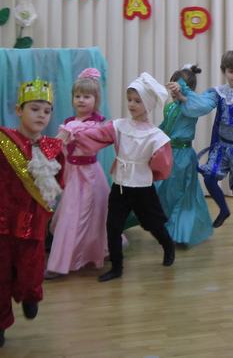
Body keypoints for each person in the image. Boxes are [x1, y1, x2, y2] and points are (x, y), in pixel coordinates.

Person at [61, 72, 175, 282]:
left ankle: (168, 246)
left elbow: (162, 164)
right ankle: (117, 267)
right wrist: (75, 134)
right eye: (129, 100)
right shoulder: (119, 126)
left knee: (153, 223)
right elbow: (96, 136)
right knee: (113, 226)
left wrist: (146, 170)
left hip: (142, 188)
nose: (131, 104)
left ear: (148, 104)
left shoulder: (156, 137)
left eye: (137, 101)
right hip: (120, 185)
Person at [168, 51, 233, 247]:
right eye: (231, 71)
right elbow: (202, 105)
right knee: (209, 177)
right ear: (224, 71)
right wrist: (183, 95)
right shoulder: (218, 93)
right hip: (223, 147)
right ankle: (224, 209)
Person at [0, 79, 64, 347]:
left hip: (34, 224)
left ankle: (30, 295)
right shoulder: (4, 141)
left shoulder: (53, 148)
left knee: (31, 271)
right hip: (3, 224)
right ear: (19, 110)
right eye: (34, 109)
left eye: (46, 111)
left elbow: (59, 183)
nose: (41, 115)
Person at [46, 68, 109, 278]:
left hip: (90, 176)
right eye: (77, 96)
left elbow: (88, 142)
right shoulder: (69, 122)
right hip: (73, 175)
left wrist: (70, 133)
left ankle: (60, 263)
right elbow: (57, 148)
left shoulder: (96, 124)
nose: (81, 100)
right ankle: (73, 256)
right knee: (72, 215)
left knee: (82, 216)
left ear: (96, 99)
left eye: (87, 96)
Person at [157, 65, 213, 246]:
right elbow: (164, 127)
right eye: (173, 86)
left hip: (183, 156)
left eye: (179, 87)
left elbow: (202, 105)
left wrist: (184, 95)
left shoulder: (191, 106)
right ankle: (169, 225)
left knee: (183, 193)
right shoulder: (170, 107)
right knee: (166, 191)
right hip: (168, 153)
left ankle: (180, 230)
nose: (174, 92)